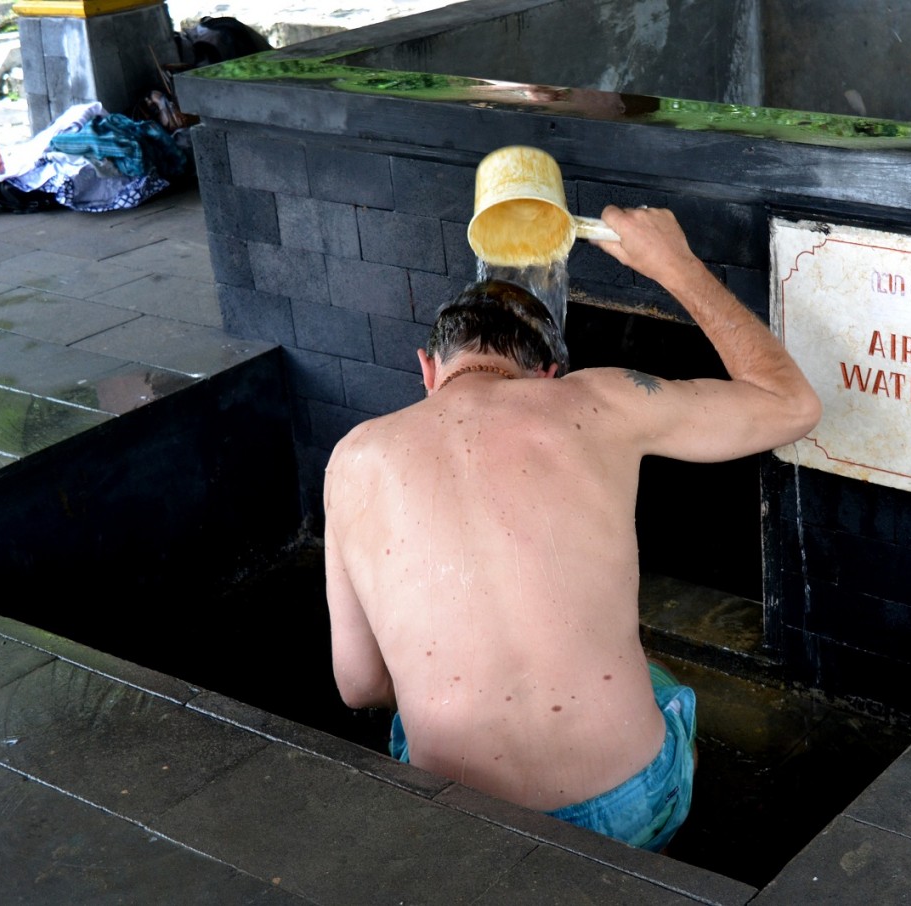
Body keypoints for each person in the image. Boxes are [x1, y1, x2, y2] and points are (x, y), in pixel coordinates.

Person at [322, 205, 821, 851]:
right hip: (624, 805)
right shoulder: (596, 399)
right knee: (652, 675)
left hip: (453, 819)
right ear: (547, 375)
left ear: (427, 368)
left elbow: (359, 687)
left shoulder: (354, 457)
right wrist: (676, 263)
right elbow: (793, 406)